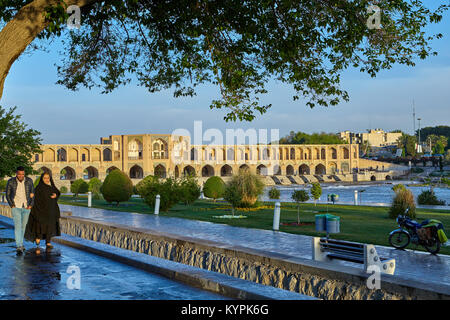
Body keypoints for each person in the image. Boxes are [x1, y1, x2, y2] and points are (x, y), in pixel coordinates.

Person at [25, 172, 61, 253]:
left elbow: (58, 192)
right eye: (45, 178)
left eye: (48, 178)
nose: (47, 180)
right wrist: (31, 196)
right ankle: (38, 237)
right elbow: (33, 196)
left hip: (51, 210)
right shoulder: (38, 188)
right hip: (41, 210)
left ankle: (48, 242)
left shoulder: (51, 187)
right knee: (40, 225)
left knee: (50, 226)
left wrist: (56, 195)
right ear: (42, 179)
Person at [5, 166, 35, 255]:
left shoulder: (29, 181)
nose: (21, 176)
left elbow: (33, 194)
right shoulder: (11, 181)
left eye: (23, 174)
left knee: (23, 227)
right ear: (16, 174)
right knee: (18, 226)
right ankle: (19, 245)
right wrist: (12, 205)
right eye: (19, 174)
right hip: (16, 207)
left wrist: (30, 205)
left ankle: (21, 244)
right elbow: (8, 194)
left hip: (26, 207)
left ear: (24, 173)